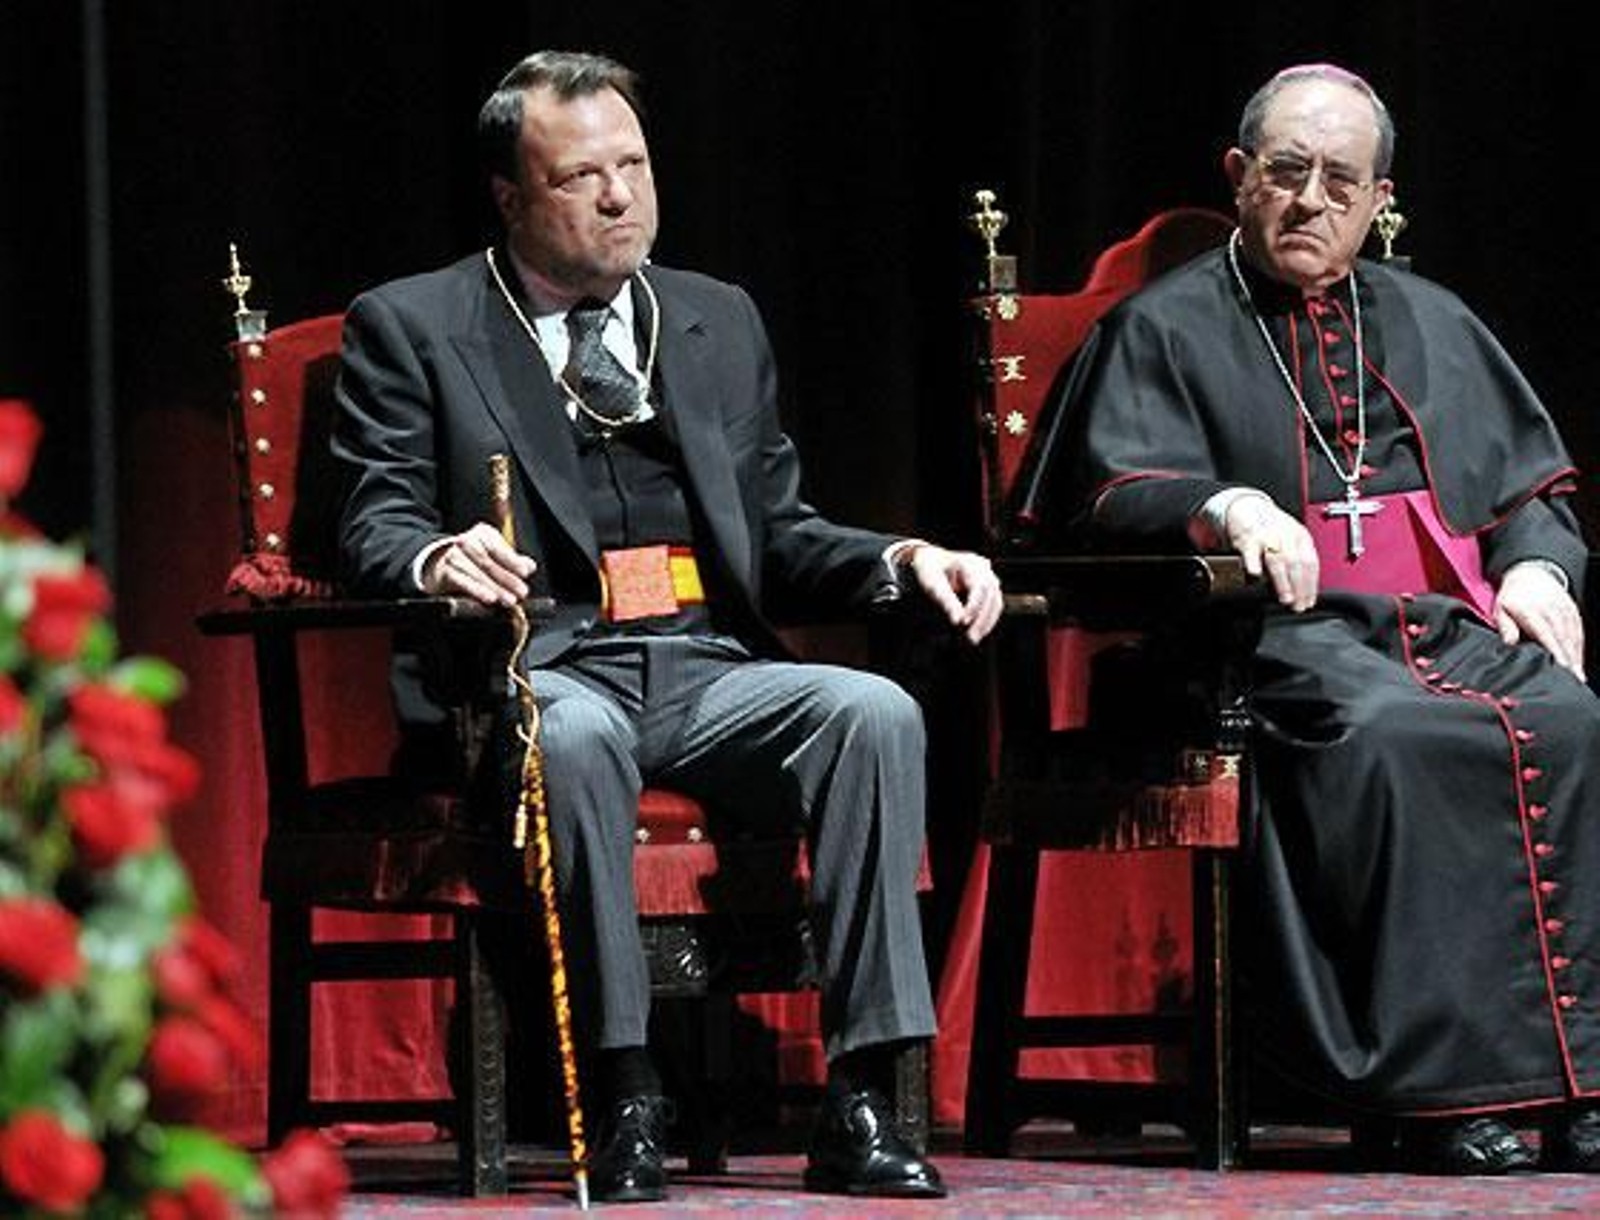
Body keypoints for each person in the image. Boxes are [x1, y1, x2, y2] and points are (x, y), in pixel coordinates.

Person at [330, 49, 1000, 1203]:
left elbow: (777, 528)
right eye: (580, 175)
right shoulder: (416, 325)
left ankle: (863, 1092)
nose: (619, 195)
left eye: (632, 165)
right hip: (540, 666)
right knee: (577, 738)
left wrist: (900, 554)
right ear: (509, 197)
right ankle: (620, 1089)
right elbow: (372, 510)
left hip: (705, 669)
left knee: (871, 710)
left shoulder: (713, 319)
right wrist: (438, 553)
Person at [1021, 62, 1600, 1174]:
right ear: (1239, 178)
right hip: (1260, 642)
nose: (1310, 203)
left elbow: (1532, 492)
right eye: (1286, 173)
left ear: (1380, 199)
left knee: (1573, 723)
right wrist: (1218, 503)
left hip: (1438, 628)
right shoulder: (1162, 325)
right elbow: (1096, 493)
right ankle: (1431, 1092)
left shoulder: (1432, 319)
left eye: (1342, 182)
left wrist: (1539, 571)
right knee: (1394, 739)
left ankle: (1573, 1079)